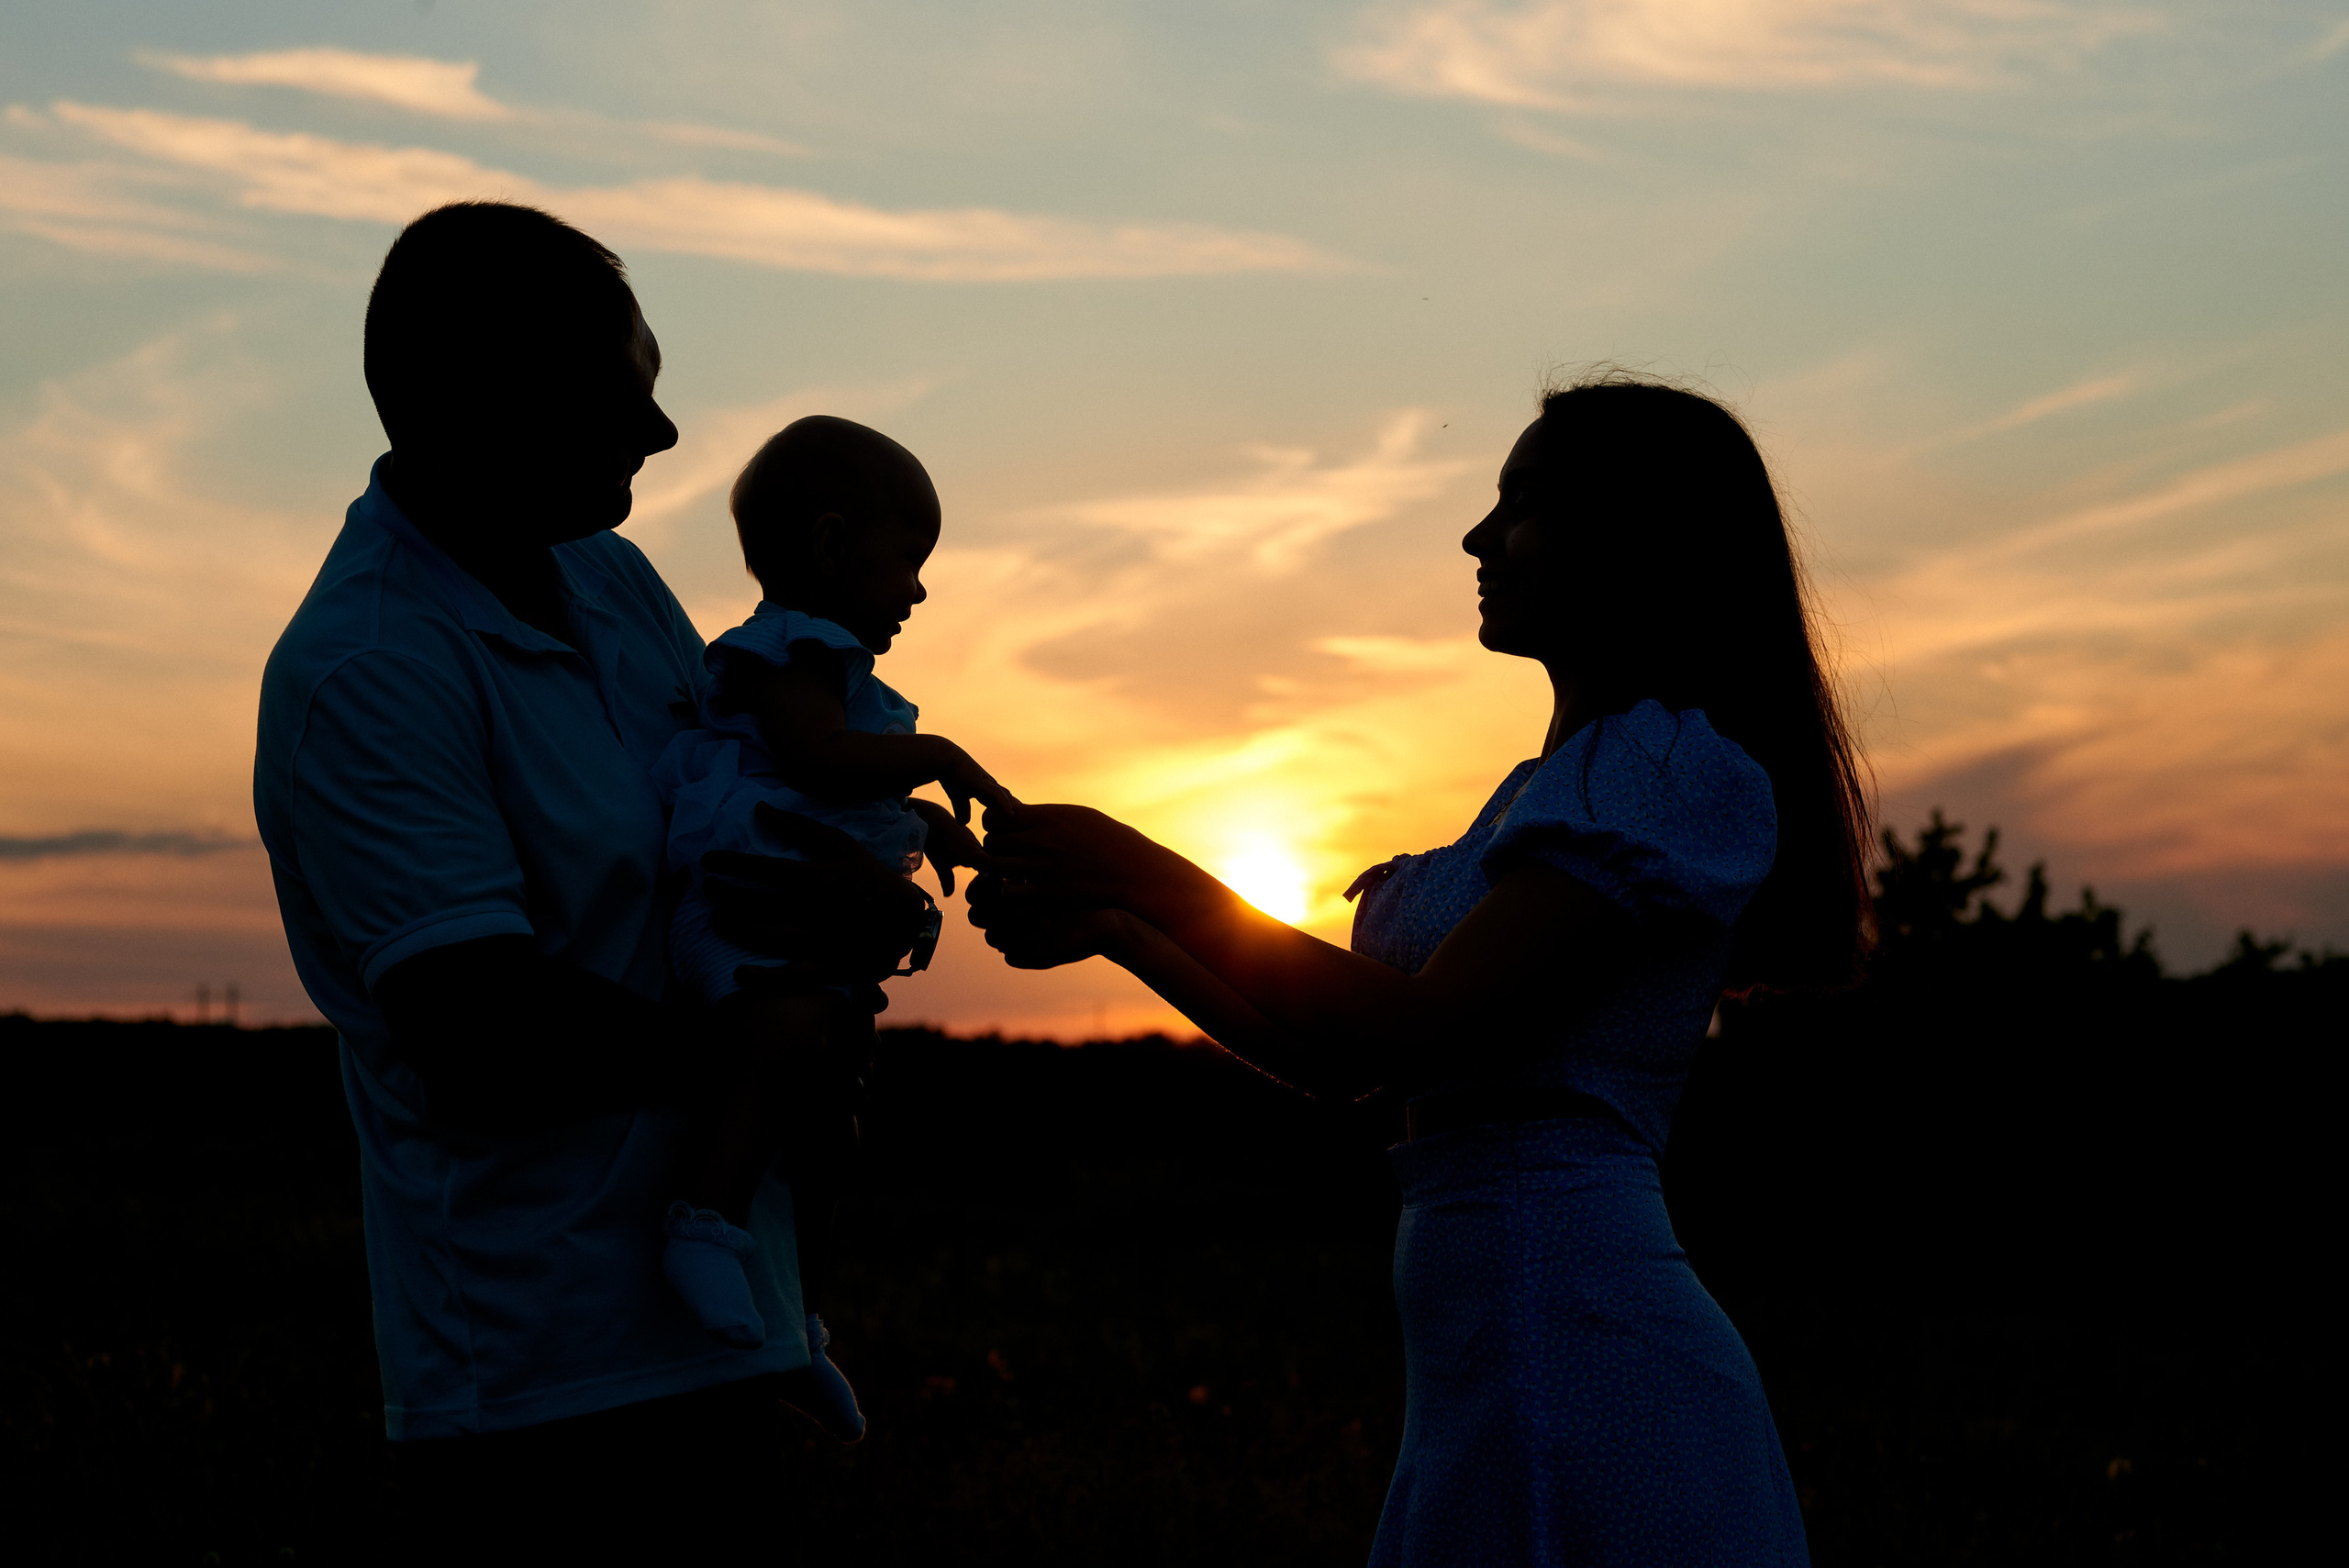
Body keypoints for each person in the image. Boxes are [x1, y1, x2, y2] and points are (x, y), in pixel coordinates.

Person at [970, 376, 1872, 1565]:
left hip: (1596, 1365)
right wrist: (1117, 926)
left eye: (1522, 505)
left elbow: (1413, 1029)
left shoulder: (1668, 771)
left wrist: (1151, 874)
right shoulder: (1542, 796)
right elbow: (1340, 1064)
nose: (1478, 538)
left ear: (1634, 534)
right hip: (1492, 1369)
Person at [252, 202, 929, 1559]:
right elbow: (476, 1031)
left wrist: (871, 908)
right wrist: (763, 1039)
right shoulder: (370, 670)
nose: (667, 435)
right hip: (541, 1389)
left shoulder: (610, 578)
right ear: (495, 403)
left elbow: (737, 822)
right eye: (628, 396)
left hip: (717, 1331)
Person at [651, 417, 1016, 1439]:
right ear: (829, 544)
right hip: (751, 904)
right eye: (909, 560)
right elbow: (813, 763)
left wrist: (927, 828)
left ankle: (795, 1324)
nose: (919, 589)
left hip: (801, 907)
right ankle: (704, 1218)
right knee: (778, 1055)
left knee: (825, 1127)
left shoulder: (834, 671)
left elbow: (848, 797)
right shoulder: (788, 656)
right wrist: (939, 756)